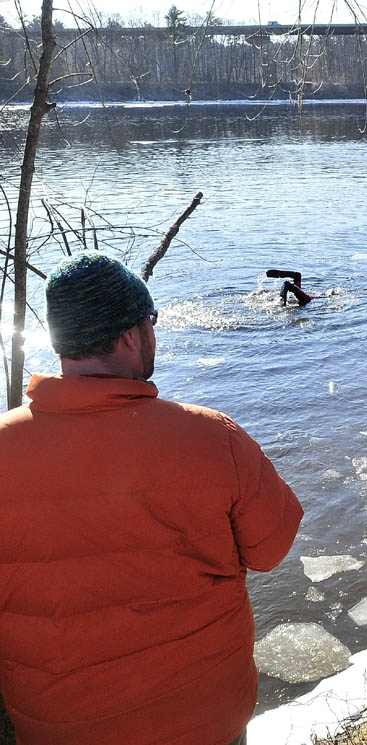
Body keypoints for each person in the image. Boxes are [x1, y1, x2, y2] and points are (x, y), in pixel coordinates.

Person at [0, 252, 304, 745]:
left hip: (61, 728)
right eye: (151, 322)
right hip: (206, 720)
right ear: (130, 336)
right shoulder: (213, 437)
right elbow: (271, 550)